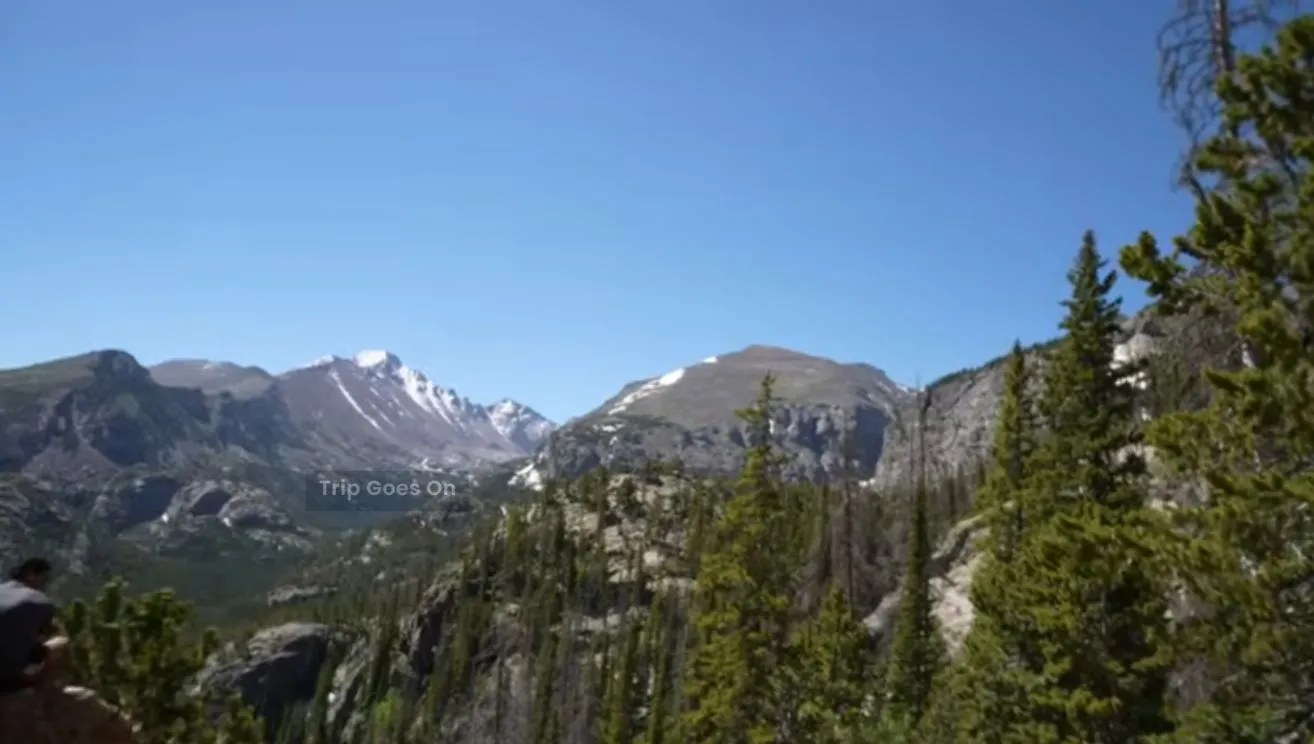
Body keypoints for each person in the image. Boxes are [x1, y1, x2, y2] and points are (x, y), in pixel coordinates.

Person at [0, 558, 138, 744]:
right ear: (32, 574)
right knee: (61, 643)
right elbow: (42, 639)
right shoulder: (39, 601)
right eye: (44, 578)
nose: (46, 584)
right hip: (9, 681)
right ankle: (46, 692)